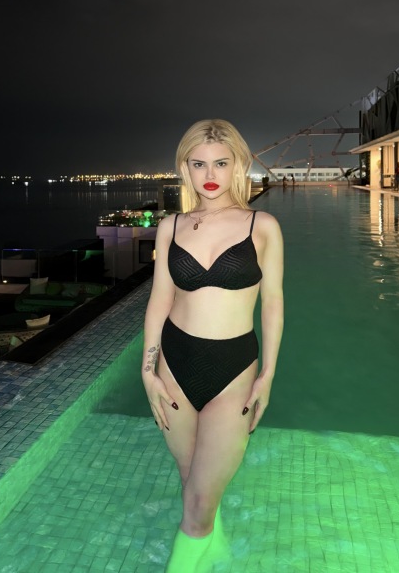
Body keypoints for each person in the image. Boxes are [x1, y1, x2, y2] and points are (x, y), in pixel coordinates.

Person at [141, 119, 284, 572]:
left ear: (238, 165)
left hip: (234, 368)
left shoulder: (262, 225)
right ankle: (215, 551)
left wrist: (267, 376)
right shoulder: (171, 226)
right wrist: (148, 370)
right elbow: (159, 300)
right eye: (199, 163)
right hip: (174, 364)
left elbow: (273, 304)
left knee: (201, 500)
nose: (210, 174)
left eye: (221, 163)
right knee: (192, 486)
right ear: (184, 167)